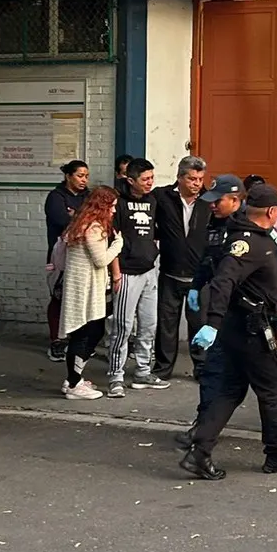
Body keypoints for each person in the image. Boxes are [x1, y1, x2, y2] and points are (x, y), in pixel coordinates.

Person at [181, 183, 277, 480]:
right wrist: (211, 323)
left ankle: (199, 452)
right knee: (272, 389)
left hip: (240, 324)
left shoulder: (245, 236)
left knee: (230, 390)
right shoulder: (251, 243)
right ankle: (276, 453)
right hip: (248, 329)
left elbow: (260, 285)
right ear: (272, 211)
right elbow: (225, 280)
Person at [107, 157, 168, 397]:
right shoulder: (119, 203)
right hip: (126, 273)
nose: (150, 183)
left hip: (149, 271)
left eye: (152, 178)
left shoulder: (152, 201)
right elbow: (112, 239)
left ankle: (143, 371)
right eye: (145, 179)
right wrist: (116, 273)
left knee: (148, 325)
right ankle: (116, 376)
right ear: (130, 180)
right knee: (122, 326)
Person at [58, 185, 123, 400]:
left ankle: (74, 378)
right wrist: (118, 245)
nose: (113, 211)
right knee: (84, 334)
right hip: (85, 289)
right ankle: (74, 384)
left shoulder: (79, 223)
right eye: (111, 207)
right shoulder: (93, 228)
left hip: (80, 287)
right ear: (101, 206)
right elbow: (101, 260)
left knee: (89, 332)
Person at [151, 156, 210, 380]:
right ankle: (163, 369)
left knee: (199, 325)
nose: (197, 183)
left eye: (200, 179)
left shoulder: (208, 200)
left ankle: (202, 369)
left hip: (199, 277)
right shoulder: (162, 196)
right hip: (170, 272)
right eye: (192, 178)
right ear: (180, 177)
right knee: (166, 325)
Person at [44, 160, 89, 361]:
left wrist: (75, 215)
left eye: (86, 176)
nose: (84, 180)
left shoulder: (88, 196)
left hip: (83, 256)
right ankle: (57, 341)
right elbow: (61, 221)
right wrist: (79, 218)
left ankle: (78, 340)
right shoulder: (56, 197)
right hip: (60, 255)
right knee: (59, 298)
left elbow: (94, 220)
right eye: (80, 176)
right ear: (68, 176)